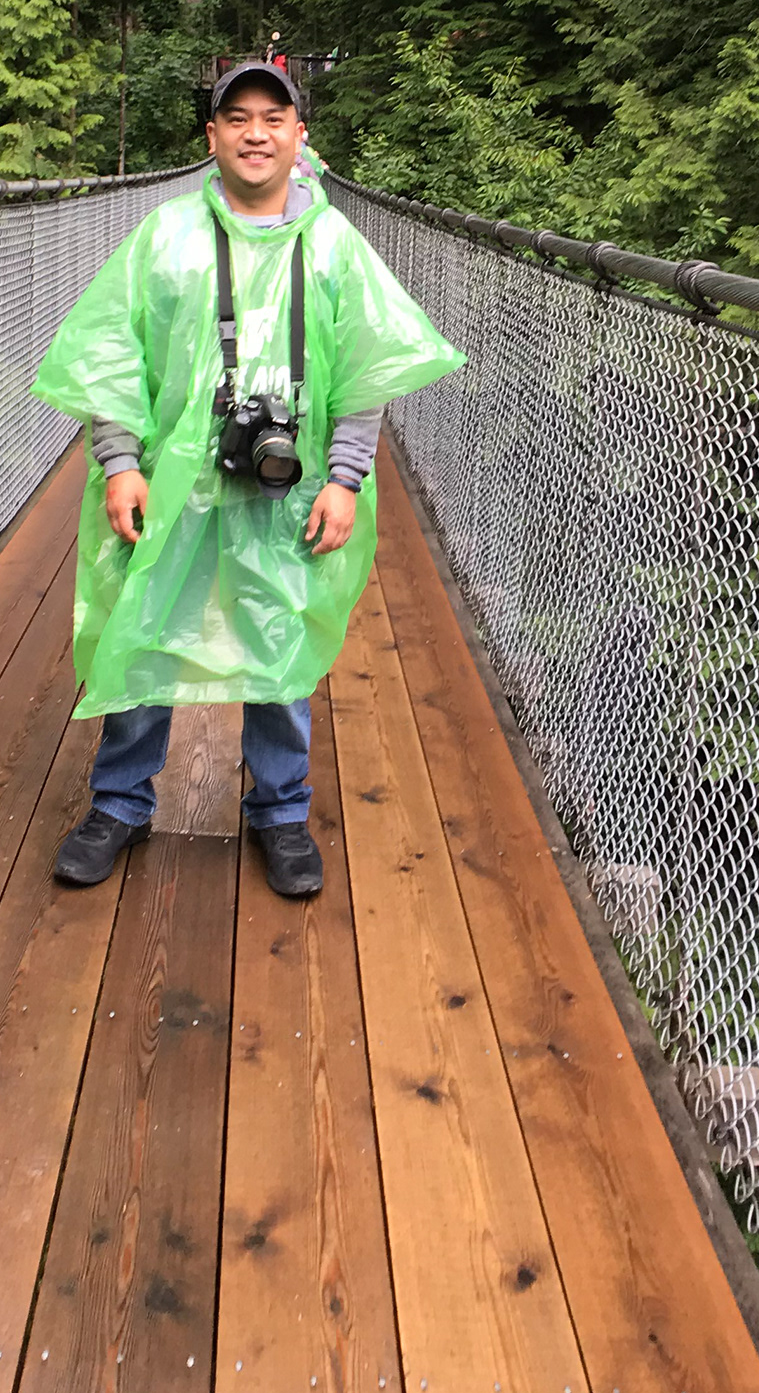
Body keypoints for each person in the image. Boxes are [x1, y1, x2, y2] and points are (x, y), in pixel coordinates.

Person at [30, 62, 463, 897]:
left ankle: (281, 813)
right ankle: (120, 803)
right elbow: (111, 359)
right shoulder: (164, 236)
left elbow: (368, 371)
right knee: (147, 623)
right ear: (213, 137)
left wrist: (345, 478)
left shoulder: (334, 244)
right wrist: (120, 464)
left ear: (301, 137)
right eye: (237, 118)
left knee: (280, 633)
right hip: (173, 478)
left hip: (288, 483)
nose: (256, 133)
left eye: (274, 117)